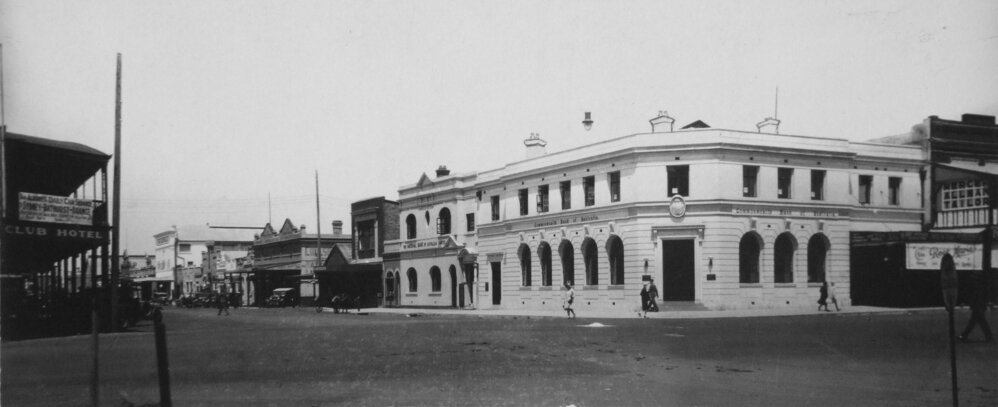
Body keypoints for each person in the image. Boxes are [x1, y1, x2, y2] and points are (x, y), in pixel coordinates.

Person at [958, 272, 994, 343]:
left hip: (978, 307)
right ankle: (989, 337)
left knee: (977, 322)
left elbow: (975, 297)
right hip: (979, 307)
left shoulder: (978, 287)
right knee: (979, 322)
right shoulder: (981, 286)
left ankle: (964, 336)